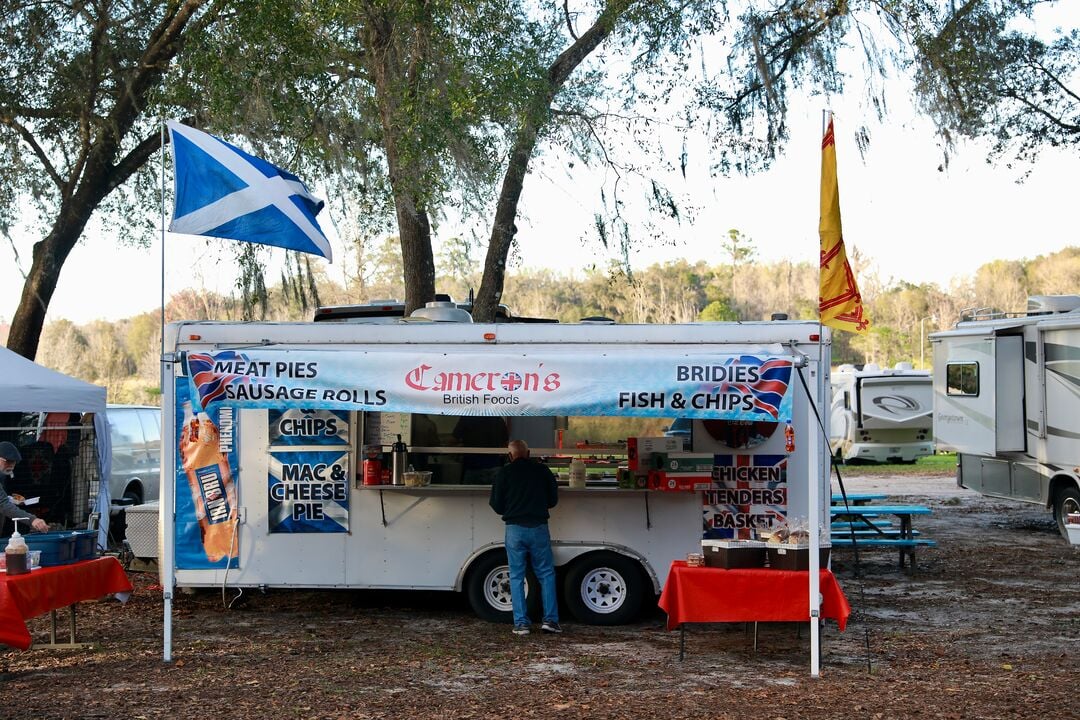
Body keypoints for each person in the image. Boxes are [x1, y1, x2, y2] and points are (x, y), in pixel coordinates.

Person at [488, 439, 560, 635]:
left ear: (510, 456)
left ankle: (521, 624)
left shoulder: (504, 473)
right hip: (538, 527)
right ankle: (551, 621)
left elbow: (496, 504)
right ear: (528, 453)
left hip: (514, 529)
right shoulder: (542, 471)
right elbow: (553, 500)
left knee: (517, 576)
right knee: (546, 574)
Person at [0, 441, 49, 533]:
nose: (11, 465)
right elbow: (3, 504)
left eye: (14, 462)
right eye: (8, 461)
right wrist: (32, 519)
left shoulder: (2, 476)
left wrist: (10, 499)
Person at [453, 415, 509, 484]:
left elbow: (453, 440)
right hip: (494, 465)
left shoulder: (468, 418)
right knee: (493, 493)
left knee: (468, 494)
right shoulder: (498, 419)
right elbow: (505, 444)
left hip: (472, 466)